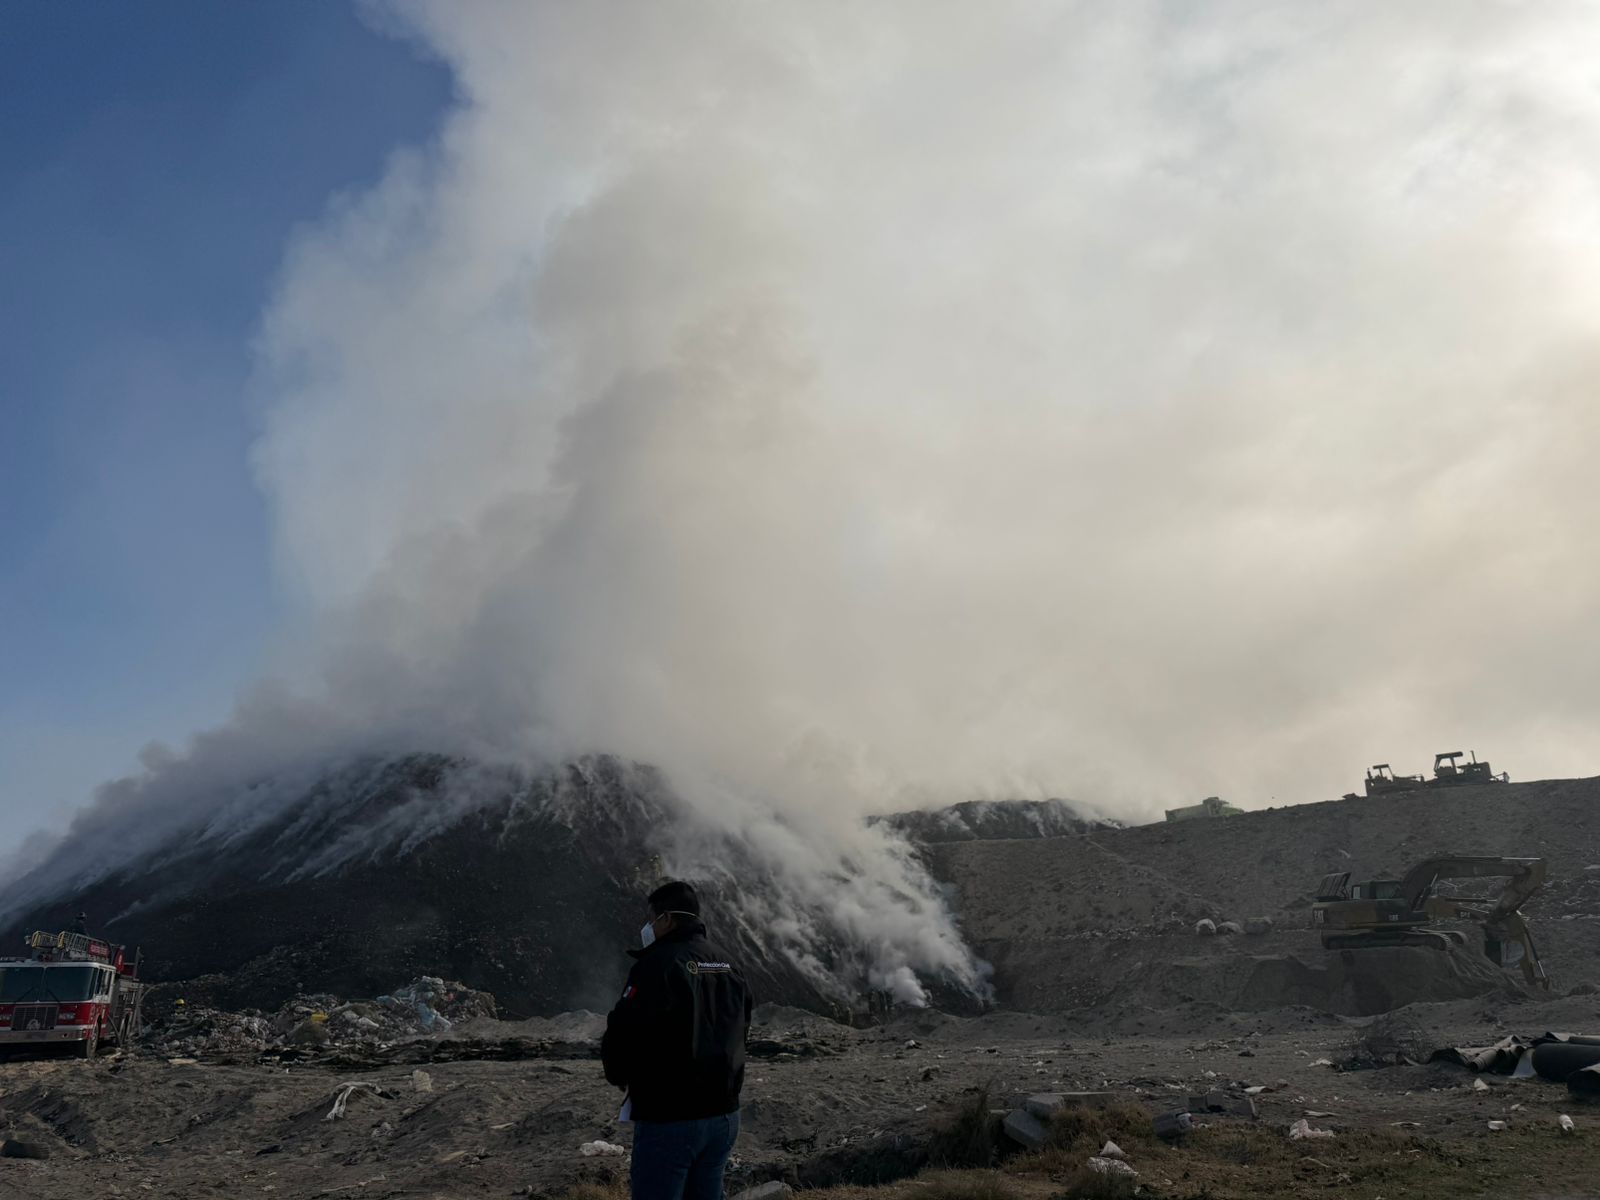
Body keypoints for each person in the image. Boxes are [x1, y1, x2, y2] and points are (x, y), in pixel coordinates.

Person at [602, 880, 752, 1200]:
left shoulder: (658, 964)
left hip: (672, 1116)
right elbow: (742, 1028)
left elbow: (624, 1029)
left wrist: (618, 1073)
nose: (649, 927)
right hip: (724, 1115)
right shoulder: (728, 963)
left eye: (652, 919)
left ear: (667, 919)